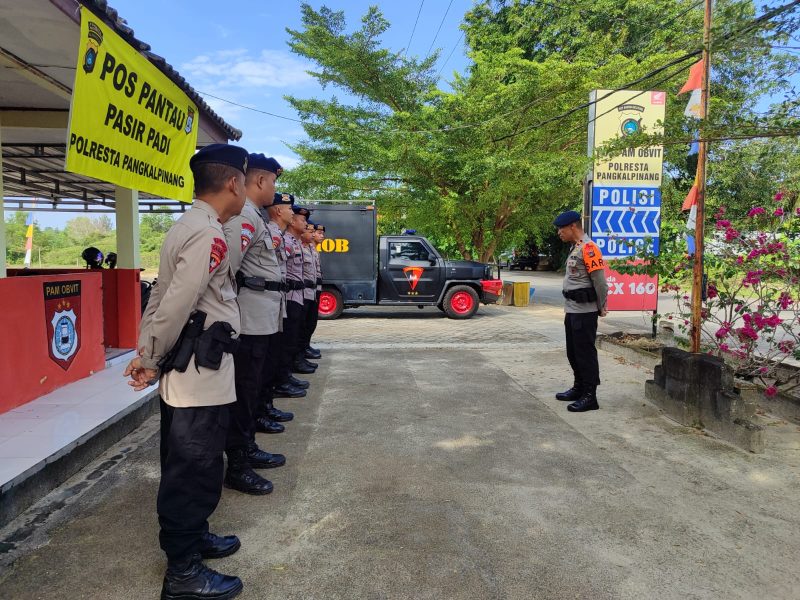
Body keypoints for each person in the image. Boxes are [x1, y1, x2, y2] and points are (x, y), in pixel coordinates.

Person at [123, 144, 249, 600]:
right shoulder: (207, 234)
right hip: (198, 372)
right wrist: (151, 358)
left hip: (194, 368)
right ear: (233, 182)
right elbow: (176, 302)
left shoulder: (188, 225)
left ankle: (194, 538)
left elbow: (159, 295)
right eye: (244, 182)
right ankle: (183, 573)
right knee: (193, 467)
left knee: (191, 461)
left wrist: (146, 351)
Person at [220, 153, 286, 496]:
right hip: (248, 321)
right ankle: (238, 464)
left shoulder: (253, 215)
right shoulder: (245, 216)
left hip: (260, 318)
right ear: (260, 180)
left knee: (251, 389)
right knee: (244, 394)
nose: (274, 188)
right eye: (273, 181)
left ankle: (246, 448)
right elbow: (225, 271)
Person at [553, 210, 608, 412]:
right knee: (573, 352)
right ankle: (579, 388)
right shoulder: (576, 247)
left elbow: (600, 283)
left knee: (585, 354)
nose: (559, 232)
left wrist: (601, 306)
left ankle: (590, 396)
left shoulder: (589, 249)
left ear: (573, 226)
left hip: (585, 312)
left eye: (561, 228)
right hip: (572, 310)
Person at [264, 194, 309, 400]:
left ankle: (284, 377)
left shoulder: (284, 237)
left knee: (288, 340)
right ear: (278, 211)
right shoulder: (273, 234)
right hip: (280, 296)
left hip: (287, 296)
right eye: (289, 208)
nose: (292, 212)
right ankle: (280, 382)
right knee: (279, 345)